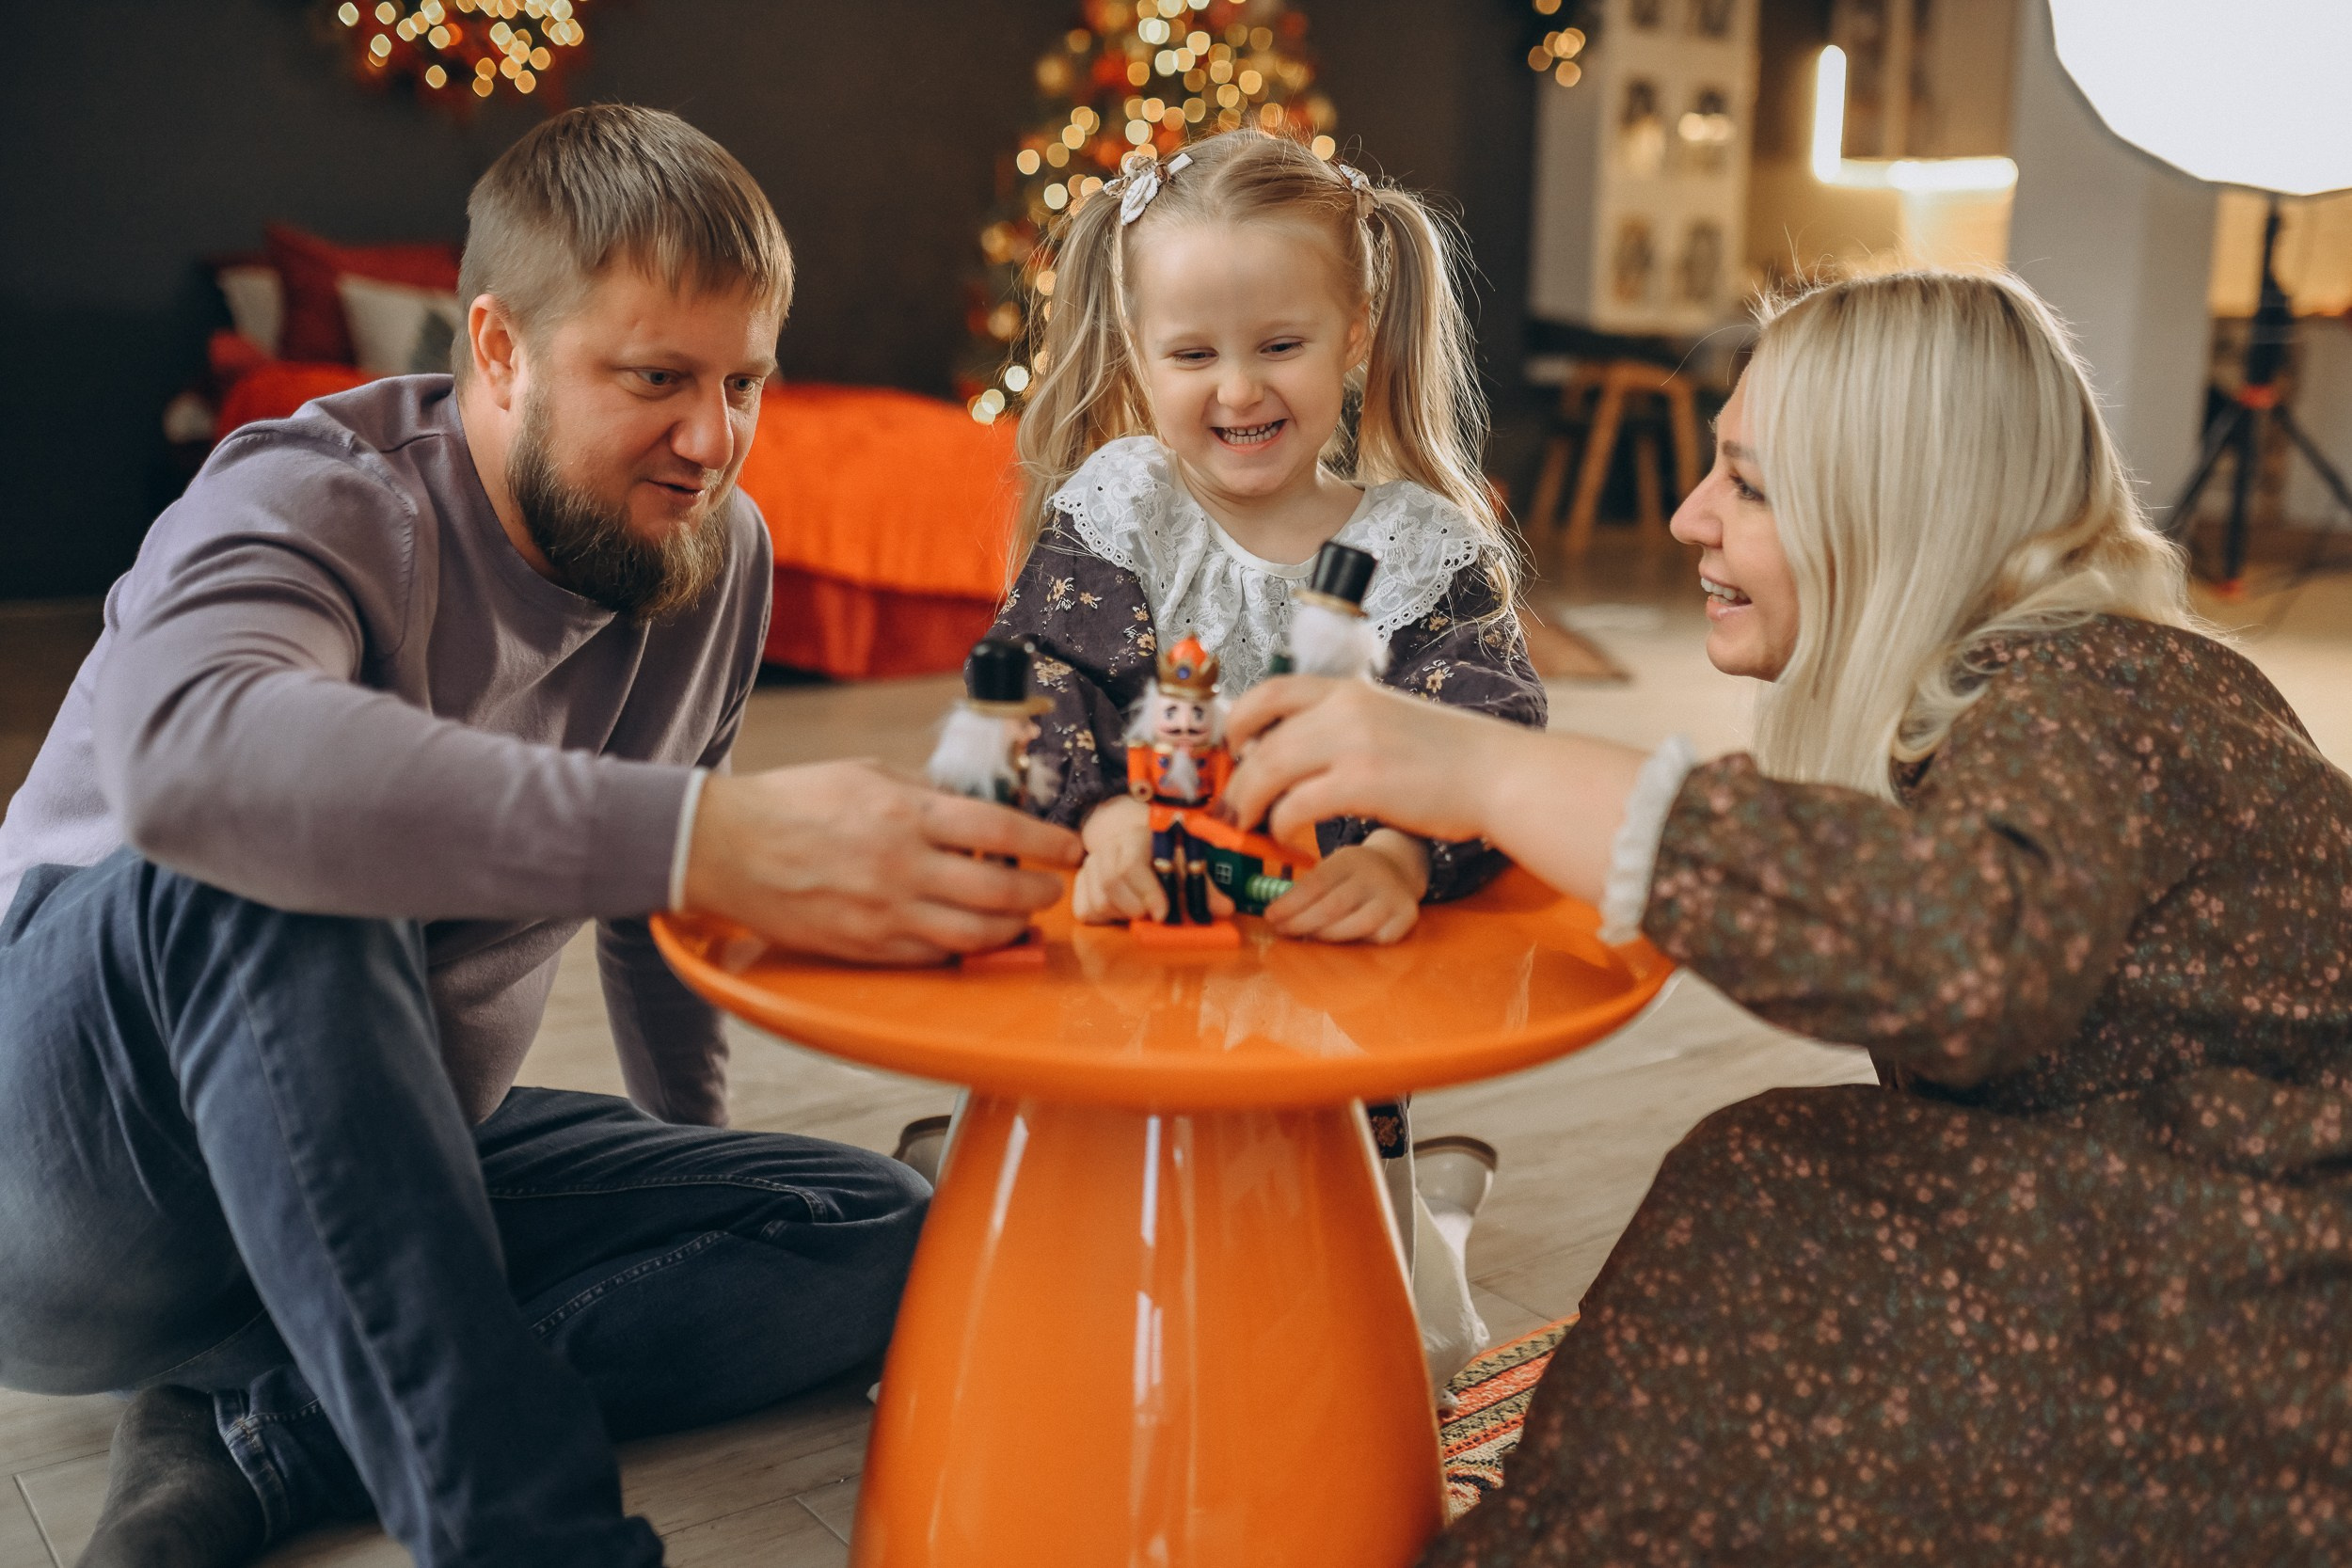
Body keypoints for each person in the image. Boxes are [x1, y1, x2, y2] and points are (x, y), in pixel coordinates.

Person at [0, 106, 1078, 1568]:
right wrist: (711, 837)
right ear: (497, 348)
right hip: (76, 1175)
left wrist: (693, 1189)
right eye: (656, 379)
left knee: (868, 1220)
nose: (713, 443)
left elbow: (643, 912)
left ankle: (258, 1435)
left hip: (384, 1156)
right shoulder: (314, 492)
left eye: (746, 383)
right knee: (286, 850)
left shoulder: (714, 551)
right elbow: (198, 761)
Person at [1221, 268, 2352, 1563]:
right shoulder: (2056, 687)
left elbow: (1964, 959)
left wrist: (1487, 772)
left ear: (1902, 515)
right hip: (2209, 1223)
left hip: (2293, 1292)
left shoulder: (2095, 696)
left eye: (1749, 487)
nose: (1691, 515)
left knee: (1772, 1190)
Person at [981, 128, 1546, 1386]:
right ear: (1136, 355)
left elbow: (1490, 732)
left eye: (1279, 345)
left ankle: (1413, 1250)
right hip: (1132, 954)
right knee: (1109, 1283)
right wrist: (1097, 820)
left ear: (1355, 333)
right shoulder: (1125, 511)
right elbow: (1037, 684)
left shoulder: (1418, 548)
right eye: (1193, 354)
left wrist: (1403, 854)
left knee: (1360, 1332)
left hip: (1324, 976)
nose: (1238, 391)